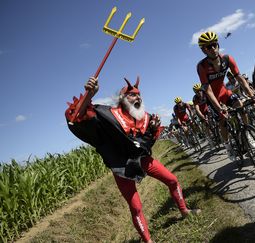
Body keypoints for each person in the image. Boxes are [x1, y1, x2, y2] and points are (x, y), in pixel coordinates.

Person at [65, 76, 200, 243]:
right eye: (133, 95)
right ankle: (148, 241)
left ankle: (184, 210)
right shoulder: (108, 115)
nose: (138, 97)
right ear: (122, 98)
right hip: (122, 167)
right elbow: (77, 117)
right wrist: (89, 95)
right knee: (136, 207)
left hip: (142, 159)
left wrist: (153, 129)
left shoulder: (146, 118)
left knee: (172, 180)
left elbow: (148, 140)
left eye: (139, 95)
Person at [196, 31, 255, 160]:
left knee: (240, 105)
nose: (213, 48)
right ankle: (228, 146)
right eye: (209, 47)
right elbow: (208, 91)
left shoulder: (227, 59)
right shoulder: (202, 66)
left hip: (224, 92)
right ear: (204, 50)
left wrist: (251, 94)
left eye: (214, 44)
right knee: (222, 120)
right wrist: (219, 109)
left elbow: (239, 78)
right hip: (213, 98)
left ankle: (247, 133)